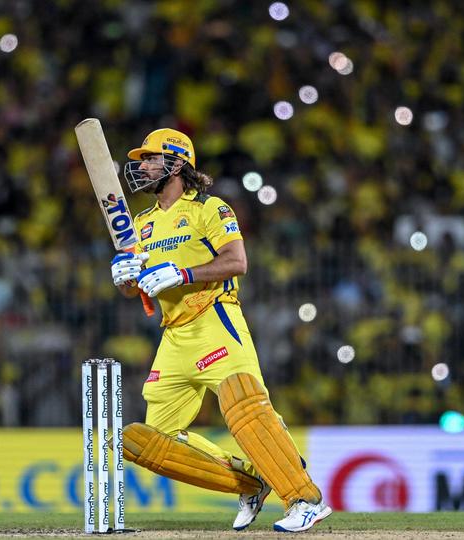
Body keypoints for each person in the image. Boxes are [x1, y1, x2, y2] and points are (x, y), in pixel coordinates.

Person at [110, 128, 331, 532]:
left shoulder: (210, 209)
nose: (141, 167)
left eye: (150, 158)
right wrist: (124, 276)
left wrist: (183, 273)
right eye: (141, 160)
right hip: (173, 337)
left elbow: (236, 262)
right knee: (150, 440)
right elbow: (138, 287)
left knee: (242, 402)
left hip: (215, 319)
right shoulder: (141, 222)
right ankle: (251, 481)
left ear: (177, 164)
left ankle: (304, 498)